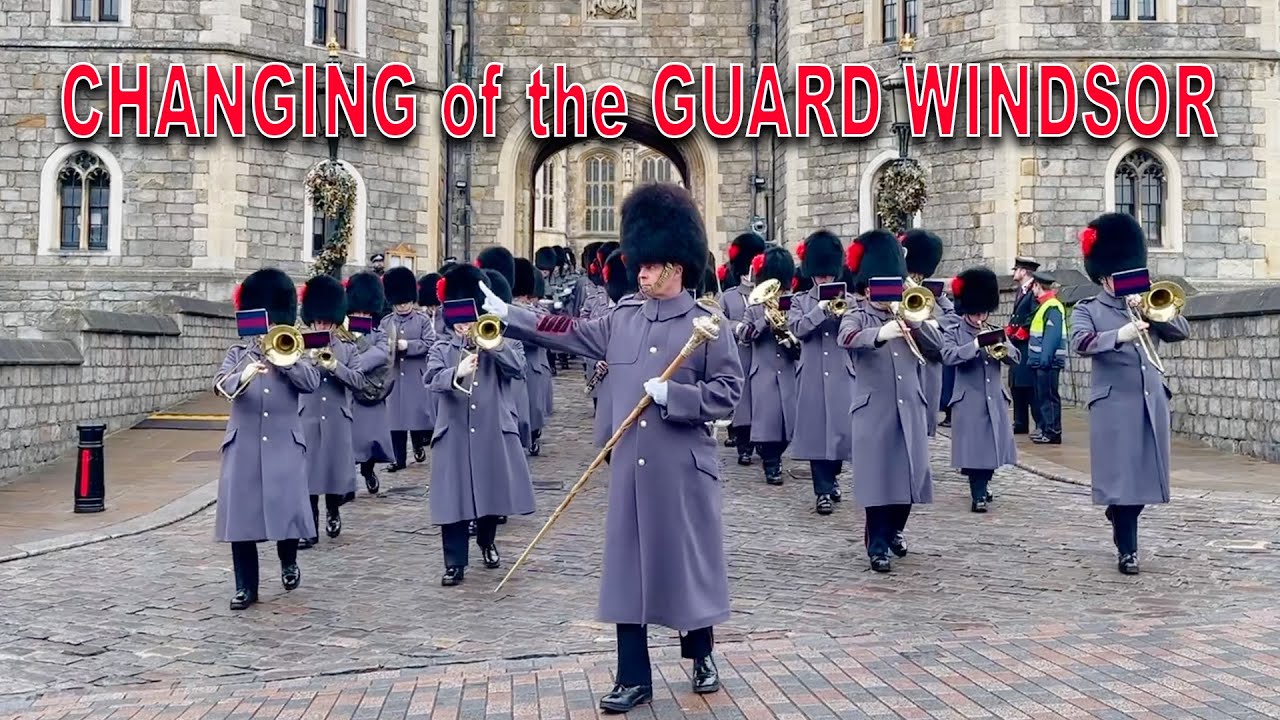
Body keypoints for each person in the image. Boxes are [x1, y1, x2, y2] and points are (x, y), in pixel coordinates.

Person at [483, 183, 742, 713]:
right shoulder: (623, 318)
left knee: (684, 568)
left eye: (647, 267)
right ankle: (632, 676)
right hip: (629, 467)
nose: (639, 273)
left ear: (674, 266)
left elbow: (728, 394)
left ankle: (701, 653)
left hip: (682, 469)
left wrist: (679, 396)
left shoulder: (708, 324)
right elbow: (567, 329)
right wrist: (509, 313)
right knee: (629, 573)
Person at [1070, 213, 1189, 575]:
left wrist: (1152, 311)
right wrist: (1119, 335)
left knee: (1144, 478)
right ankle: (1129, 550)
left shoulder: (1145, 302)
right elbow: (1080, 342)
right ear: (1104, 276)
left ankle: (1120, 517)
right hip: (1114, 405)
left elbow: (1180, 331)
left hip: (1150, 402)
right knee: (1123, 480)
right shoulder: (1088, 309)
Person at [213, 268, 319, 610]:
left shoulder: (294, 350)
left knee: (286, 511)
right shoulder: (237, 353)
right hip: (243, 445)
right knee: (241, 519)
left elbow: (311, 382)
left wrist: (284, 360)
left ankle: (288, 562)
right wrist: (244, 373)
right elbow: (220, 385)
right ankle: (246, 587)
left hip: (284, 443)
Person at [424, 264, 535, 586]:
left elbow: (518, 369)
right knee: (453, 501)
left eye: (468, 317)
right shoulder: (442, 348)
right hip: (454, 432)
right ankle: (454, 563)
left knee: (490, 493)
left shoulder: (500, 340)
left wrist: (494, 346)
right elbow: (430, 379)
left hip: (491, 428)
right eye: (458, 319)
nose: (464, 326)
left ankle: (487, 542)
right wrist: (454, 372)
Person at [837, 230, 942, 573]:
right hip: (874, 409)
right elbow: (846, 337)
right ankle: (877, 545)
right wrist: (880, 334)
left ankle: (896, 529)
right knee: (878, 481)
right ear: (867, 288)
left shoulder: (911, 311)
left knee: (909, 477)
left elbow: (938, 348)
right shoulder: (858, 314)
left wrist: (916, 321)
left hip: (910, 406)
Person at [787, 230, 856, 516]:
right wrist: (819, 311)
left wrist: (842, 314)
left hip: (842, 371)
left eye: (828, 274)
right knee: (818, 435)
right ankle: (823, 491)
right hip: (813, 372)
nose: (824, 279)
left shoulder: (850, 300)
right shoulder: (800, 301)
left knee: (840, 434)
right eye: (820, 274)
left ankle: (833, 476)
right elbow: (797, 329)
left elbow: (855, 331)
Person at [940, 267, 1019, 513]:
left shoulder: (994, 329)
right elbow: (948, 356)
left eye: (983, 312)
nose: (979, 317)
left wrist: (1004, 349)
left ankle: (983, 485)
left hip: (994, 397)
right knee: (975, 451)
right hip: (969, 399)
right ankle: (978, 495)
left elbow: (1015, 357)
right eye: (975, 313)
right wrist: (974, 345)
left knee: (991, 449)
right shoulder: (954, 332)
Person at [297, 275, 366, 547]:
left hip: (337, 415)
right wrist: (311, 364)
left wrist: (335, 366)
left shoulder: (347, 348)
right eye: (317, 321)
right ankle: (308, 529)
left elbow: (359, 381)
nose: (321, 325)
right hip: (308, 416)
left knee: (334, 471)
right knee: (308, 474)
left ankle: (333, 509)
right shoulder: (298, 344)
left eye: (326, 321)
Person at [735, 246, 798, 485]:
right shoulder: (754, 308)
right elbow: (745, 335)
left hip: (789, 369)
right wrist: (765, 321)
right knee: (768, 424)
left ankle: (776, 456)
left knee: (786, 426)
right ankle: (771, 464)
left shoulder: (794, 305)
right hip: (764, 371)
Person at [380, 267, 435, 471]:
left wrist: (408, 346)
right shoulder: (386, 322)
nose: (402, 307)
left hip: (415, 375)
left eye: (405, 302)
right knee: (395, 421)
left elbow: (430, 342)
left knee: (416, 417)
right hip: (394, 376)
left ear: (412, 300)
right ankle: (398, 459)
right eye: (398, 303)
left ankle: (419, 444)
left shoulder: (422, 321)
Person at [900, 229, 953, 436]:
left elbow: (951, 319)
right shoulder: (899, 289)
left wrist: (932, 324)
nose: (916, 277)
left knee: (922, 428)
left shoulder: (935, 295)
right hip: (905, 365)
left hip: (929, 366)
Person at [345, 272, 395, 495]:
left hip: (371, 391)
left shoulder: (378, 332)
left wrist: (358, 343)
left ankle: (368, 470)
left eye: (365, 312)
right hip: (349, 394)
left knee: (370, 441)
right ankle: (345, 485)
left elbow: (381, 355)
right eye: (357, 311)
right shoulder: (341, 331)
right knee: (348, 442)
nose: (361, 315)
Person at [720, 233, 766, 465]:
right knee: (742, 402)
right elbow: (720, 321)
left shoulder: (767, 294)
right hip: (739, 354)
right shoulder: (729, 297)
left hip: (762, 354)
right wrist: (738, 327)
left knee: (762, 400)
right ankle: (743, 445)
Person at [514, 257, 553, 456]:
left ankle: (532, 436)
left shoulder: (538, 313)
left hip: (532, 364)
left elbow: (542, 338)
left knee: (532, 406)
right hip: (511, 362)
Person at [1027, 270, 1065, 444]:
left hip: (1047, 361)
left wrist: (1045, 358)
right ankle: (1046, 429)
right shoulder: (1044, 305)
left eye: (1033, 286)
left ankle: (1052, 432)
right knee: (1042, 397)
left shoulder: (1052, 306)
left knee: (1049, 397)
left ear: (1037, 285)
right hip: (1040, 360)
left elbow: (1052, 334)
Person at [1006, 256, 1041, 435]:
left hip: (1026, 344)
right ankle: (1020, 422)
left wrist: (1021, 331)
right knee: (1016, 383)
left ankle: (1039, 423)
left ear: (1024, 271)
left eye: (1016, 269)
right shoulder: (1021, 290)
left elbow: (1034, 315)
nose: (1014, 272)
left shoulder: (1033, 291)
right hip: (1017, 343)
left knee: (1028, 384)